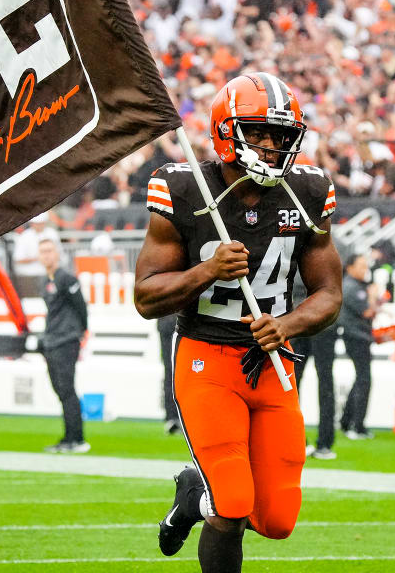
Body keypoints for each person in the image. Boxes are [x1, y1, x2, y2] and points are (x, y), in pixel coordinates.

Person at [133, 72, 342, 572]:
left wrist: (287, 325)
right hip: (207, 357)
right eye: (258, 133)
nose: (272, 146)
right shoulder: (184, 189)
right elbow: (145, 297)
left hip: (270, 361)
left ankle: (191, 499)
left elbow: (330, 294)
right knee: (231, 500)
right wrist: (207, 270)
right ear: (227, 131)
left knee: (276, 519)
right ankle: (207, 498)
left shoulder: (308, 192)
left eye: (281, 135)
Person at [38, 237, 90, 453]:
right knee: (60, 389)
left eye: (49, 251)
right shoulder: (45, 281)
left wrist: (81, 332)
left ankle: (76, 439)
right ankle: (69, 436)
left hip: (66, 340)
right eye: (42, 252)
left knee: (67, 389)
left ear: (57, 253)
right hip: (52, 340)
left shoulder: (66, 279)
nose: (46, 255)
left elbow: (81, 306)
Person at [291, 277, 337, 460]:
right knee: (324, 382)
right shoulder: (323, 250)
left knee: (292, 383)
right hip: (320, 319)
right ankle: (324, 443)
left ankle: (296, 441)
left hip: (297, 318)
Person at [337, 252, 379, 440]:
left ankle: (347, 421)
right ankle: (357, 424)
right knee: (364, 379)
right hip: (356, 337)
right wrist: (374, 296)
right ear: (350, 267)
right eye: (361, 266)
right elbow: (368, 312)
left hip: (357, 336)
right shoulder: (352, 287)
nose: (365, 270)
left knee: (361, 379)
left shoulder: (352, 285)